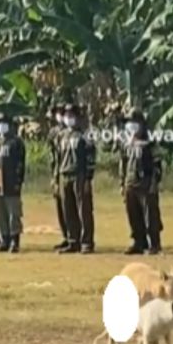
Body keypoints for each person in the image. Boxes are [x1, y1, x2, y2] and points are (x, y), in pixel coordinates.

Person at [119, 110, 161, 256]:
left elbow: (157, 165)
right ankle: (138, 242)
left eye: (134, 123)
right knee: (133, 214)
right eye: (129, 123)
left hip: (146, 183)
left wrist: (154, 182)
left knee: (150, 215)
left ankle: (154, 243)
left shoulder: (149, 144)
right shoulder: (126, 144)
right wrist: (122, 183)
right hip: (130, 182)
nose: (131, 126)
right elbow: (122, 164)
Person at [57, 103, 96, 254]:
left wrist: (88, 178)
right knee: (68, 209)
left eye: (72, 116)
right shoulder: (62, 135)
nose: (68, 118)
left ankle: (87, 242)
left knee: (84, 209)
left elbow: (91, 158)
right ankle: (73, 240)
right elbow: (59, 156)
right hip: (65, 174)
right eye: (66, 116)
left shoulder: (85, 136)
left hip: (79, 175)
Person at [0, 113, 26, 253]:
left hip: (11, 182)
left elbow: (21, 164)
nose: (1, 126)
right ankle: (4, 238)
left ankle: (14, 240)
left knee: (13, 213)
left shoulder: (16, 142)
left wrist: (18, 181)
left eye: (4, 123)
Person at [47, 105, 70, 251]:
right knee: (60, 207)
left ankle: (75, 236)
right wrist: (54, 177)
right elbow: (53, 156)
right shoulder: (54, 133)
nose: (60, 116)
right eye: (58, 113)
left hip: (68, 171)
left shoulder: (74, 133)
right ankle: (66, 236)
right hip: (58, 172)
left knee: (71, 207)